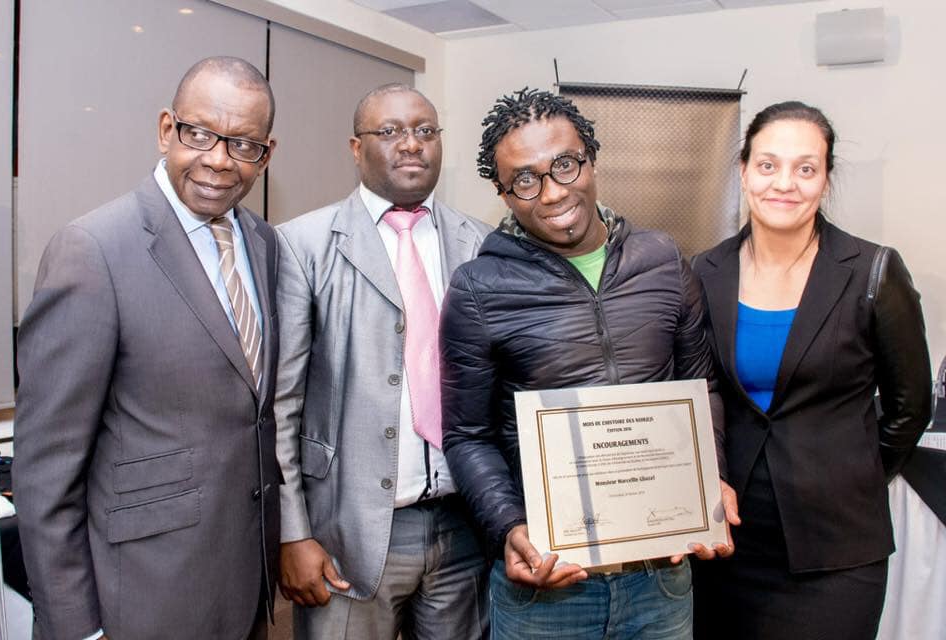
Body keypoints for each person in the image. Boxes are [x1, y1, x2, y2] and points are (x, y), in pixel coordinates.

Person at [439, 87, 734, 640]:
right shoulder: (479, 288)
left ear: (591, 160)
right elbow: (467, 435)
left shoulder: (664, 261)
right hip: (547, 585)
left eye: (564, 165)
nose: (552, 192)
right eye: (525, 180)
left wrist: (710, 477)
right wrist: (508, 527)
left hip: (661, 577)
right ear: (504, 193)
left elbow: (702, 387)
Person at [13, 56, 280, 640]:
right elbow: (46, 473)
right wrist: (76, 628)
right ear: (166, 130)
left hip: (243, 583)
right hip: (138, 598)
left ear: (265, 154)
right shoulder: (92, 250)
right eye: (200, 134)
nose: (219, 159)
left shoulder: (263, 243)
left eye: (243, 144)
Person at [691, 101, 931, 639]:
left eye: (805, 168)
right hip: (728, 544)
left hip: (837, 550)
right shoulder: (705, 270)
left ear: (825, 179)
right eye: (768, 165)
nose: (785, 183)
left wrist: (854, 473)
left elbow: (910, 407)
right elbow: (699, 390)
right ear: (743, 172)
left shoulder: (872, 271)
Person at [274, 83, 491, 640]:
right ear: (356, 147)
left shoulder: (480, 243)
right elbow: (282, 404)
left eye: (425, 131)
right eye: (390, 131)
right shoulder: (302, 244)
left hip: (465, 529)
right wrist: (293, 532)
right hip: (348, 533)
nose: (411, 144)